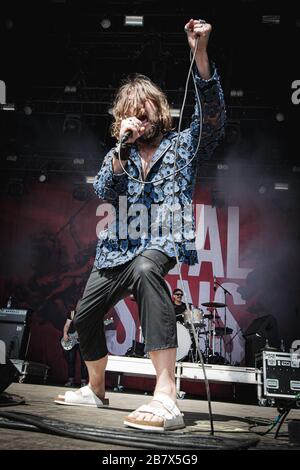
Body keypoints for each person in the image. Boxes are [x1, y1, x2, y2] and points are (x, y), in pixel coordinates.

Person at [55, 18, 225, 431]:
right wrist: (118, 148)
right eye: (130, 112)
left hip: (162, 238)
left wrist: (199, 53)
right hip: (117, 247)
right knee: (86, 318)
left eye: (143, 107)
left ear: (157, 108)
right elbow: (104, 190)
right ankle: (96, 390)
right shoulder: (120, 155)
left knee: (149, 270)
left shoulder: (182, 144)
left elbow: (214, 118)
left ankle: (166, 394)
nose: (138, 115)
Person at [62, 303, 88, 387]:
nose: (80, 306)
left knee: (84, 362)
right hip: (71, 339)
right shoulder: (72, 313)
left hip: (82, 340)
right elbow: (67, 325)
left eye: (82, 304)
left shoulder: (87, 314)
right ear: (77, 305)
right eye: (79, 304)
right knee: (71, 360)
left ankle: (83, 382)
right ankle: (70, 380)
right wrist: (65, 334)